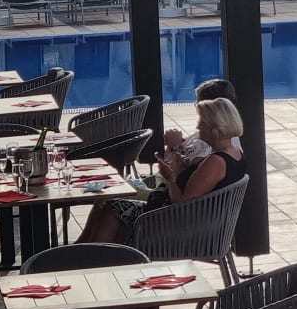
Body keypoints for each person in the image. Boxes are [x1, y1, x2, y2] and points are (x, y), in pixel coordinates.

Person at [77, 97, 246, 244]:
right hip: (200, 223)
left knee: (115, 207)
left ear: (215, 128)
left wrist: (170, 178)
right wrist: (182, 169)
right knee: (118, 211)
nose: (198, 126)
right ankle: (96, 254)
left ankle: (94, 258)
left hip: (177, 226)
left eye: (202, 123)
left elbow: (182, 204)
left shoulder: (216, 162)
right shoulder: (235, 153)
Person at [165, 78, 238, 163]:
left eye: (198, 103)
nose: (198, 126)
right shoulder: (211, 130)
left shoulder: (218, 140)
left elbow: (191, 169)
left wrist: (175, 147)